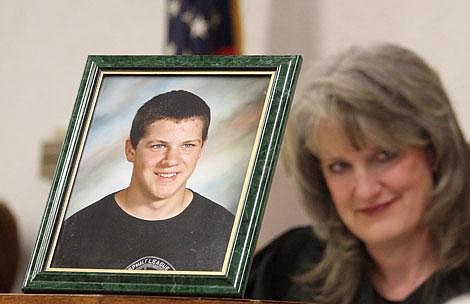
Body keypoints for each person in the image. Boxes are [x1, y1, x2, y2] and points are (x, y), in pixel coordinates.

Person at [246, 44, 470, 303]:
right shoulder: (292, 264)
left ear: (434, 150)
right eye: (339, 167)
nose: (365, 190)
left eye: (384, 156)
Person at [52, 90, 234, 271]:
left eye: (188, 146)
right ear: (131, 150)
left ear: (201, 149)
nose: (171, 160)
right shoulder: (75, 232)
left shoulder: (227, 230)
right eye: (158, 146)